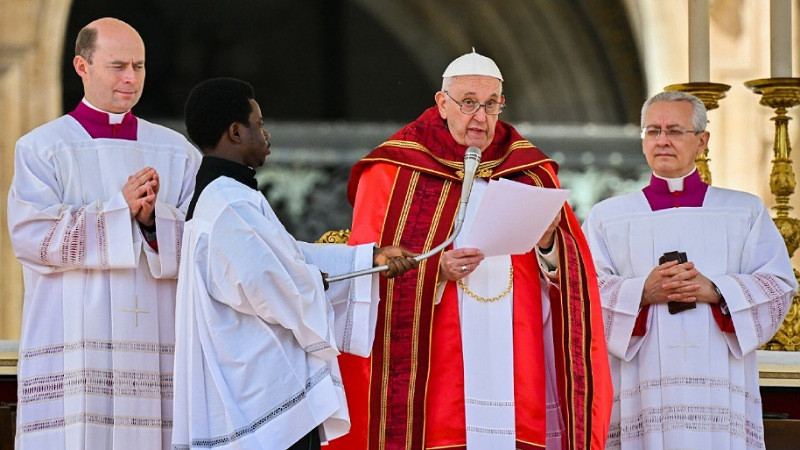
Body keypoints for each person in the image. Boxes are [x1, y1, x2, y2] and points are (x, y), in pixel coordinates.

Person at [328, 50, 613, 449]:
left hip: (517, 355)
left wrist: (549, 243)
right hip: (437, 375)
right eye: (468, 103)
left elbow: (573, 281)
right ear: (442, 104)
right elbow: (364, 272)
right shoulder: (394, 171)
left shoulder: (531, 171)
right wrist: (434, 271)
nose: (481, 116)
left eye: (491, 104)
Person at [172, 77, 418, 450]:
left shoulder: (227, 196)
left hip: (257, 391)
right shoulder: (228, 203)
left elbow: (288, 256)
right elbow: (267, 283)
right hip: (260, 399)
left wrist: (370, 257)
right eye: (259, 124)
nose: (266, 134)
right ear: (236, 132)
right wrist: (310, 281)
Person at [7, 17, 201, 449]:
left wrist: (153, 223)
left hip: (154, 346)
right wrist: (119, 211)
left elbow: (202, 242)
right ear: (82, 66)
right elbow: (31, 237)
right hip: (76, 345)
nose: (131, 78)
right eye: (117, 66)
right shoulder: (42, 149)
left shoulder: (176, 152)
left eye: (139, 66)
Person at [582, 91, 798, 449]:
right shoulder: (608, 217)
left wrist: (716, 290)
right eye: (652, 131)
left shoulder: (743, 212)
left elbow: (777, 285)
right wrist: (641, 293)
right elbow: (584, 292)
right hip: (642, 383)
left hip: (719, 383)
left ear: (702, 141)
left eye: (674, 130)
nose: (662, 140)